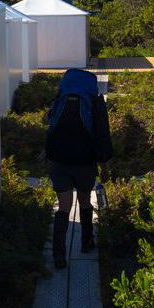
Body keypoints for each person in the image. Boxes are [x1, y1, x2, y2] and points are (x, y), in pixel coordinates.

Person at [44, 68, 113, 269]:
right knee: (84, 202)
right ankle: (86, 243)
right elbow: (102, 135)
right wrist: (104, 163)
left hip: (59, 161)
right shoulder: (94, 103)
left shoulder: (60, 99)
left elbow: (47, 122)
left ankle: (58, 255)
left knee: (64, 206)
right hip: (84, 162)